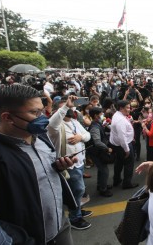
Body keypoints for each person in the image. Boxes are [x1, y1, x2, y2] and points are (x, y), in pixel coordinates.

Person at [0, 84, 77, 244]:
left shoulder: (41, 136)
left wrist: (58, 167)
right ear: (7, 117)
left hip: (60, 227)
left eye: (42, 111)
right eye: (34, 112)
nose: (43, 117)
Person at [47, 95, 92, 230]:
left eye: (71, 107)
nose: (69, 110)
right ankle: (75, 217)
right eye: (66, 108)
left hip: (79, 163)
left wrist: (80, 137)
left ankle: (77, 210)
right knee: (77, 191)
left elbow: (88, 136)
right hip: (68, 165)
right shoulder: (55, 127)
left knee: (78, 190)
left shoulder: (74, 122)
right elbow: (51, 123)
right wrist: (66, 105)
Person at [109, 100, 138, 189]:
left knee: (119, 162)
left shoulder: (117, 115)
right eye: (128, 108)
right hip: (123, 145)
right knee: (129, 164)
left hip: (117, 144)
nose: (130, 110)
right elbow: (122, 137)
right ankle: (127, 183)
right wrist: (127, 149)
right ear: (121, 108)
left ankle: (116, 180)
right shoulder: (120, 120)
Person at [87, 107, 114, 197]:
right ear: (95, 115)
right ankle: (103, 189)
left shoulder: (97, 124)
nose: (102, 115)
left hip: (97, 151)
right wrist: (107, 148)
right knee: (104, 170)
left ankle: (101, 185)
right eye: (100, 114)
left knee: (101, 169)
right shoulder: (95, 127)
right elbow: (97, 142)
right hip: (96, 152)